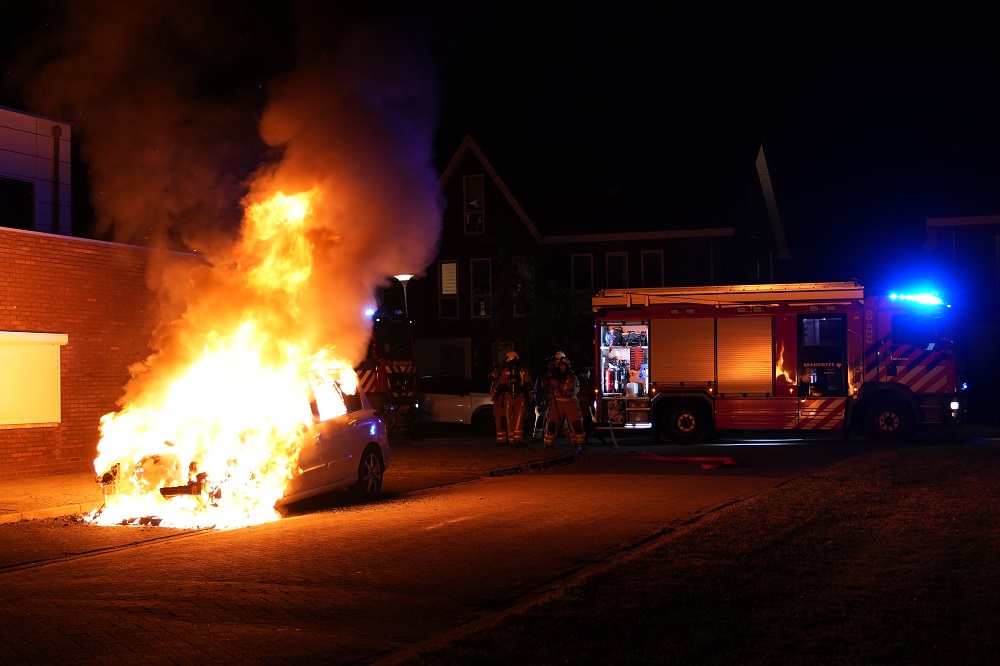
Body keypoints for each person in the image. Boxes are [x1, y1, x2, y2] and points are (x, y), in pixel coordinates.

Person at [543, 353, 586, 453]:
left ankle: (580, 442)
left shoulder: (572, 376)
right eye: (560, 365)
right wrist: (548, 381)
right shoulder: (556, 374)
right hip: (557, 402)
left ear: (567, 366)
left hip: (570, 402)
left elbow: (569, 387)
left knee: (575, 423)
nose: (561, 367)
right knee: (551, 422)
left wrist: (558, 383)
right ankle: (548, 443)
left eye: (563, 365)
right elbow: (546, 383)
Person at [492, 350, 534, 446]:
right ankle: (518, 440)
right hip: (520, 397)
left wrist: (494, 393)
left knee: (509, 418)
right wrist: (531, 394)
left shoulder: (505, 370)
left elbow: (500, 384)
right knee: (519, 418)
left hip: (508, 397)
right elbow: (529, 383)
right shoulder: (523, 370)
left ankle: (511, 440)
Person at [531, 355, 556, 443]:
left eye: (552, 363)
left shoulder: (557, 374)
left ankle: (551, 437)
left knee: (554, 420)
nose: (551, 365)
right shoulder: (542, 375)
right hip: (544, 401)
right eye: (549, 363)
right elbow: (537, 389)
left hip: (555, 402)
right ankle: (537, 437)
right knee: (540, 419)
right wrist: (538, 402)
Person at [488, 360, 507, 445]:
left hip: (500, 399)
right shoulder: (501, 371)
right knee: (502, 420)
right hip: (500, 399)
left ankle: (502, 440)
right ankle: (502, 440)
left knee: (501, 419)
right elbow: (491, 377)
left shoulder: (503, 372)